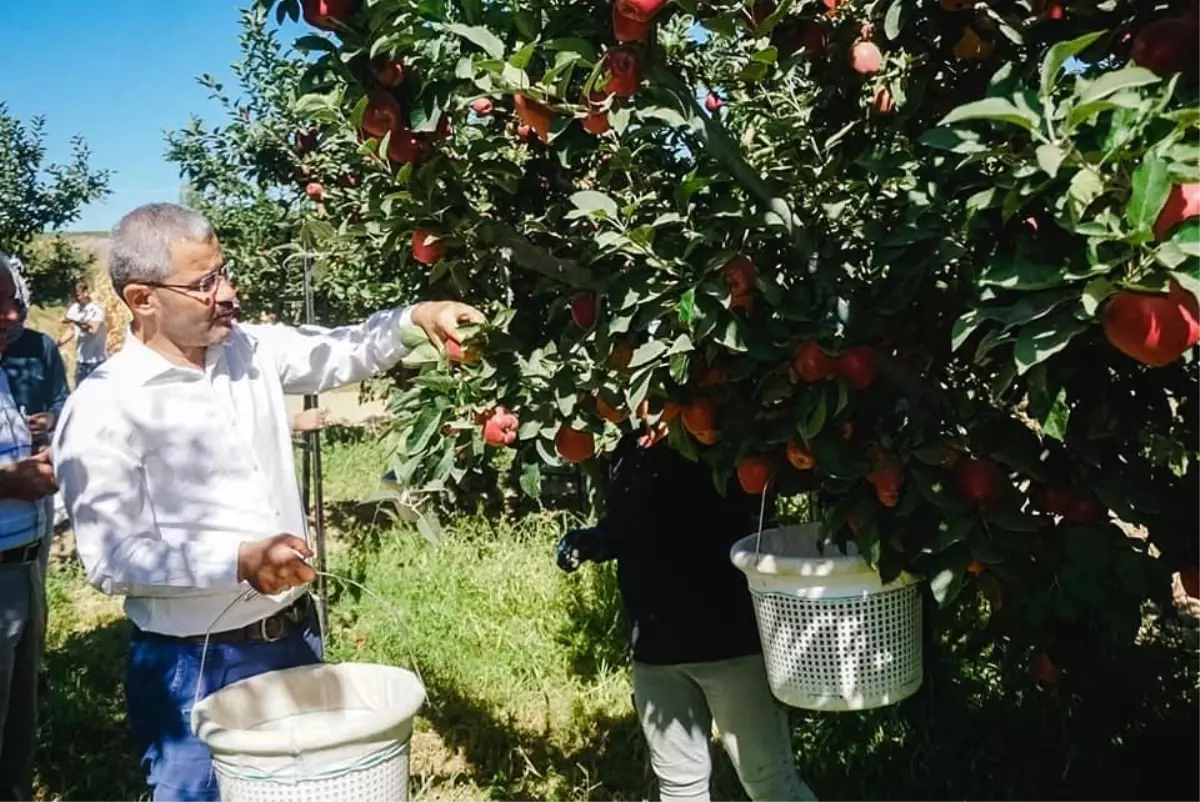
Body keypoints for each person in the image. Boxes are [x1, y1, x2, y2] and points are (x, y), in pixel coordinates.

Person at [52, 202, 485, 801]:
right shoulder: (105, 406)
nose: (228, 292)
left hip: (294, 639)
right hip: (193, 665)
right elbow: (110, 557)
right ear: (143, 298)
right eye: (205, 284)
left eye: (223, 272)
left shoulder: (248, 351)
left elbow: (341, 349)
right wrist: (236, 560)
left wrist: (418, 317)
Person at [556, 427, 819, 802]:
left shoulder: (721, 433)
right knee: (680, 789)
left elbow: (753, 500)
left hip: (730, 645)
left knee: (771, 784)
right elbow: (627, 525)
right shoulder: (632, 447)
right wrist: (596, 541)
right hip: (655, 654)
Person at [0, 252, 63, 802]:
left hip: (24, 565)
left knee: (18, 725)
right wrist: (6, 481)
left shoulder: (5, 371)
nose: (8, 315)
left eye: (12, 301)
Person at [57, 280, 108, 385]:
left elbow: (92, 330)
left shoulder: (95, 309)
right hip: (81, 360)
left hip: (96, 361)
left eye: (78, 295)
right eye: (74, 295)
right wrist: (57, 344)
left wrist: (74, 321)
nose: (76, 298)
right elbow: (72, 330)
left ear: (86, 292)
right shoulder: (74, 309)